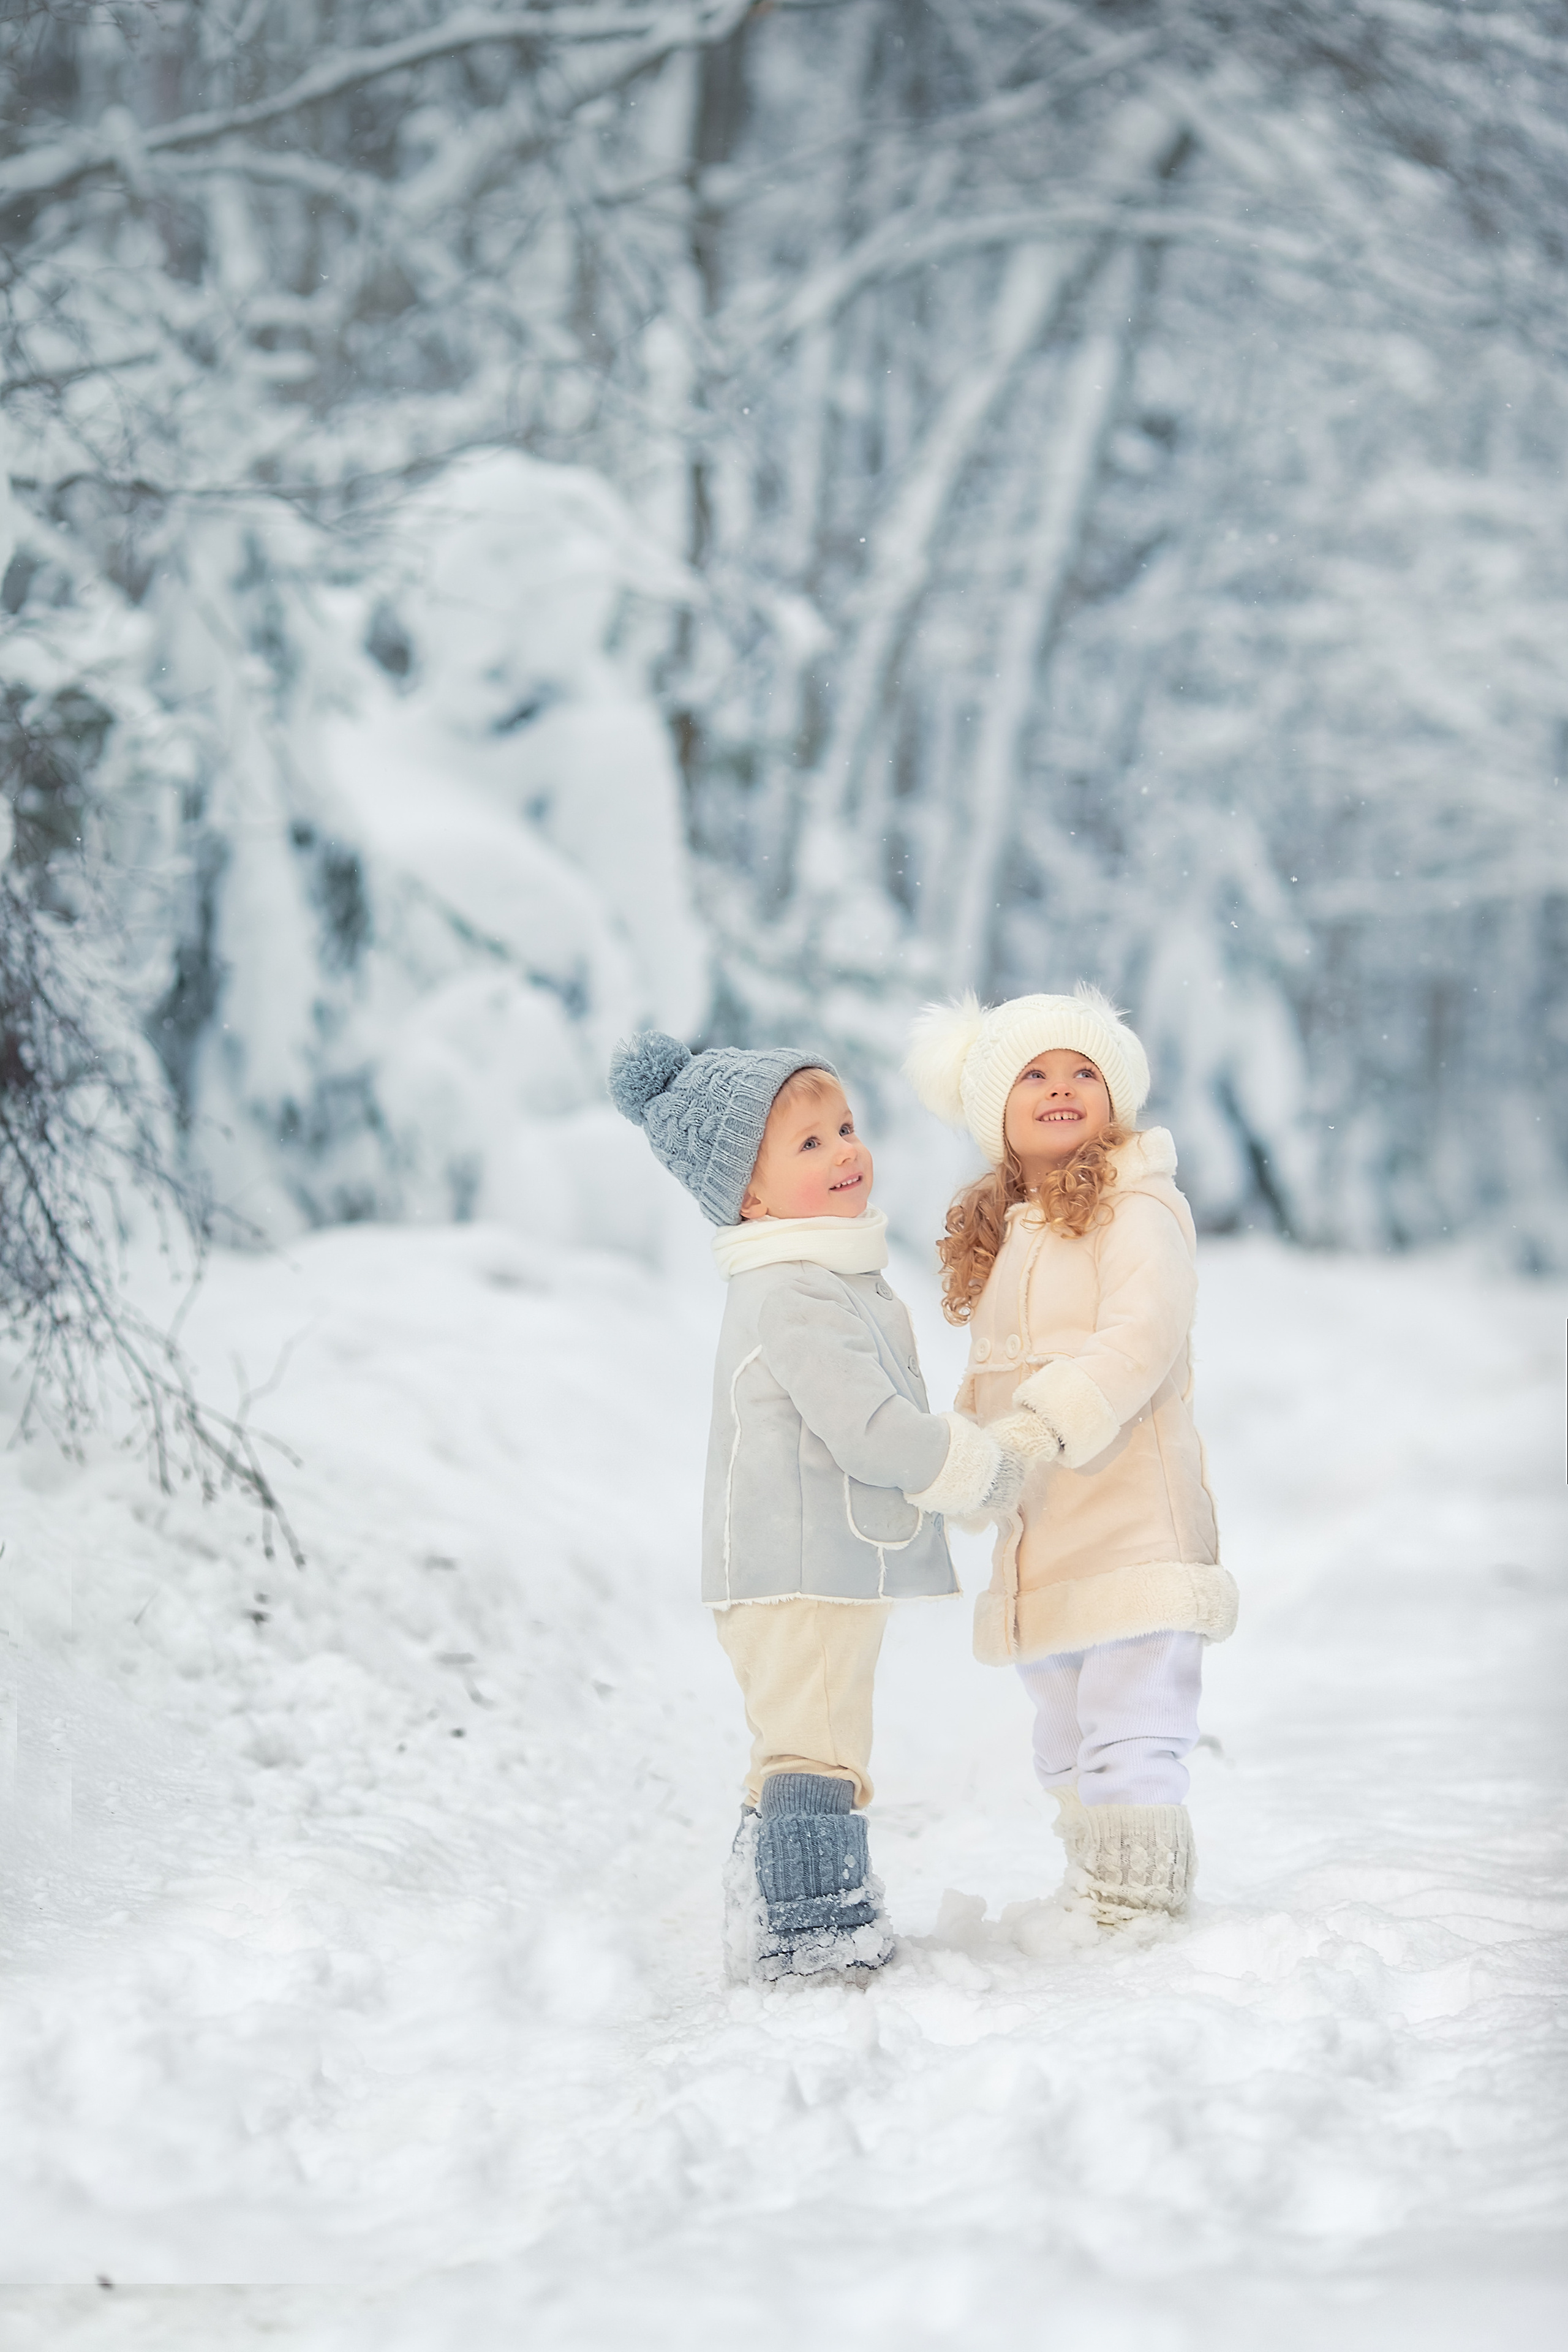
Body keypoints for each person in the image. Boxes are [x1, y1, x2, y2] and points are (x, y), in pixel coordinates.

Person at [609, 1033, 1024, 1982]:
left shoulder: (813, 1277)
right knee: (820, 1750)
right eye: (809, 1145)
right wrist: (967, 1469)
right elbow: (869, 1427)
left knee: (800, 1738)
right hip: (802, 1569)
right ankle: (811, 1933)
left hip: (800, 1564)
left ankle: (770, 1903)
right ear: (748, 1197)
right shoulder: (796, 1291)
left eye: (845, 1128)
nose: (846, 1152)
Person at [905, 984, 1239, 1925]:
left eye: (1083, 1070)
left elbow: (1140, 1337)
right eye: (1034, 1075)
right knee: (1061, 1736)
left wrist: (1042, 1426)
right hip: (1044, 1533)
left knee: (1130, 1727)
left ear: (1115, 1096)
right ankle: (1095, 1882)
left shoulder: (1138, 1210)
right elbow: (992, 1381)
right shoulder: (1017, 1231)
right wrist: (962, 1462)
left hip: (1133, 1521)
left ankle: (1136, 1907)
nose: (1061, 1087)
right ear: (996, 1116)